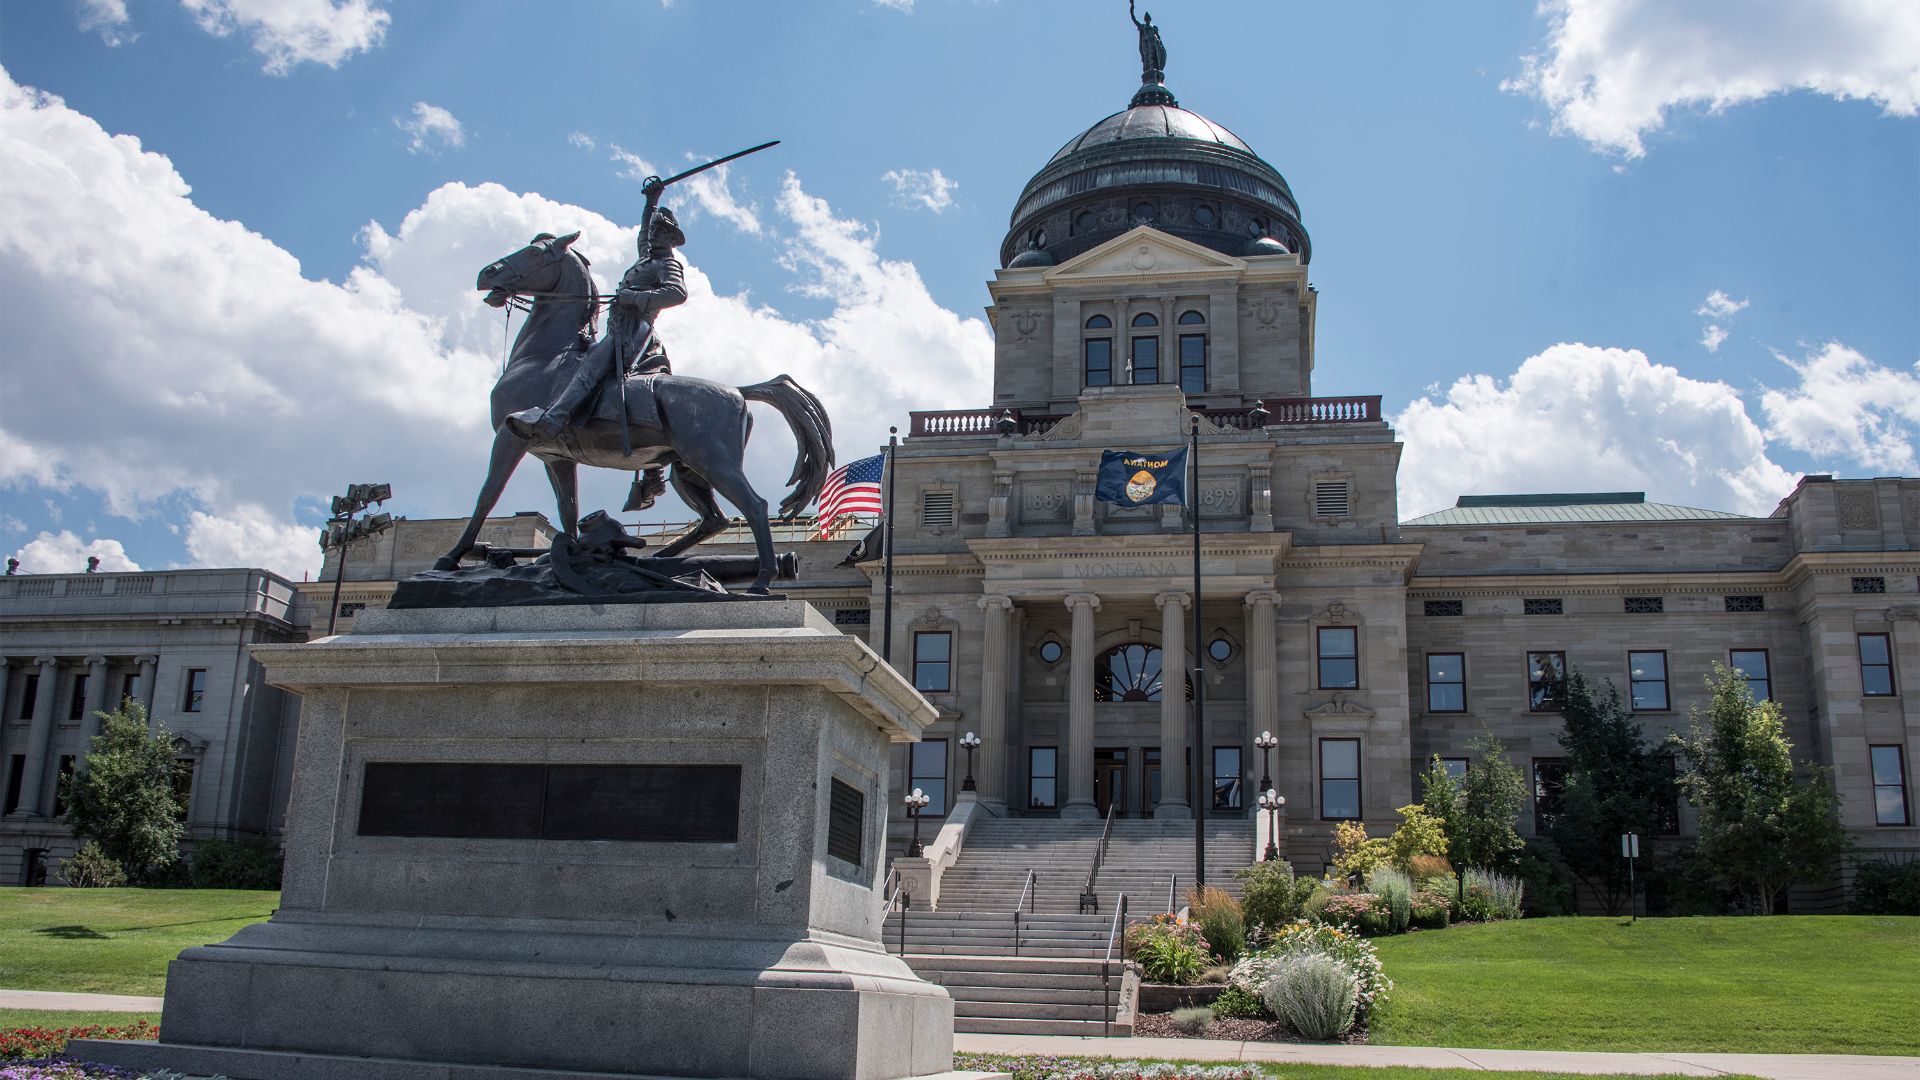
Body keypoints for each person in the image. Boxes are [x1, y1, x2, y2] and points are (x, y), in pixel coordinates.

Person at [504, 204, 688, 444]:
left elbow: (677, 293)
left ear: (671, 238)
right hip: (619, 327)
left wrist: (634, 298)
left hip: (634, 331)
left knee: (590, 368)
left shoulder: (667, 264)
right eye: (653, 230)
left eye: (660, 231)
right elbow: (643, 232)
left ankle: (555, 419)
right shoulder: (647, 257)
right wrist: (651, 199)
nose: (653, 234)